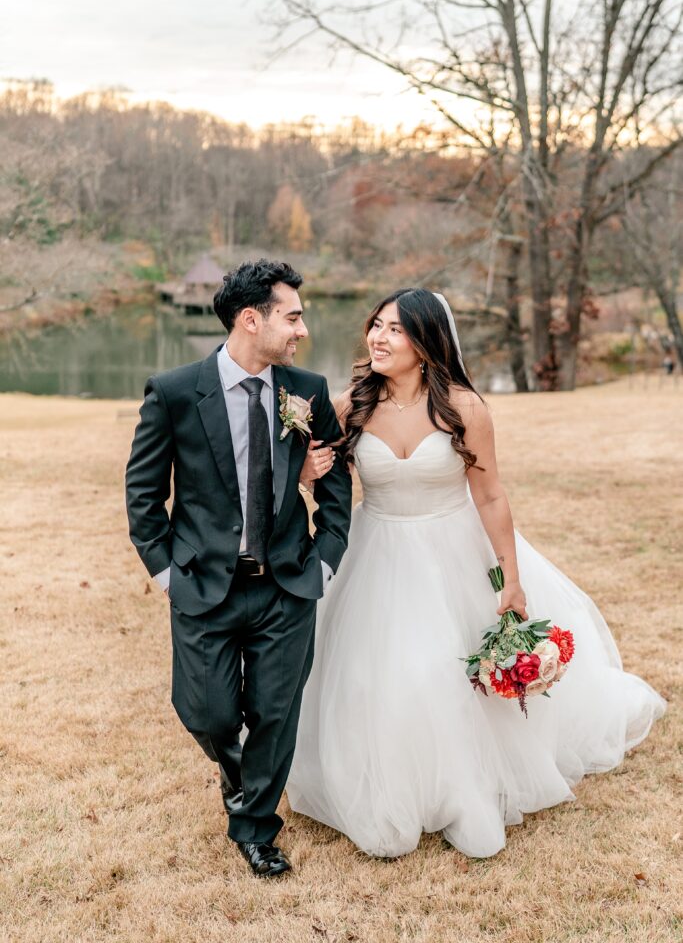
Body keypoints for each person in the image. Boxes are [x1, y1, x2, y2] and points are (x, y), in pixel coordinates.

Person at [288, 287, 666, 859]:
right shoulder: (350, 405)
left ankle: (463, 792)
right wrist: (308, 471)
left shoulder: (464, 408)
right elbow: (319, 480)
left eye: (395, 329)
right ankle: (393, 784)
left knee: (445, 671)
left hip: (453, 550)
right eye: (376, 326)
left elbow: (489, 497)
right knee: (375, 675)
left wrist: (510, 579)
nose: (378, 338)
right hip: (377, 549)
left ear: (425, 340)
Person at [125, 260, 352, 878]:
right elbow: (144, 496)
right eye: (293, 316)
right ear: (252, 320)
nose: (302, 329)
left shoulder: (305, 391)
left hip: (287, 584)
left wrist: (326, 560)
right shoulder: (174, 392)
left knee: (276, 715)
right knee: (210, 714)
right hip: (203, 585)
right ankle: (236, 770)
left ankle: (255, 827)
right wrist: (165, 572)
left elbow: (335, 485)